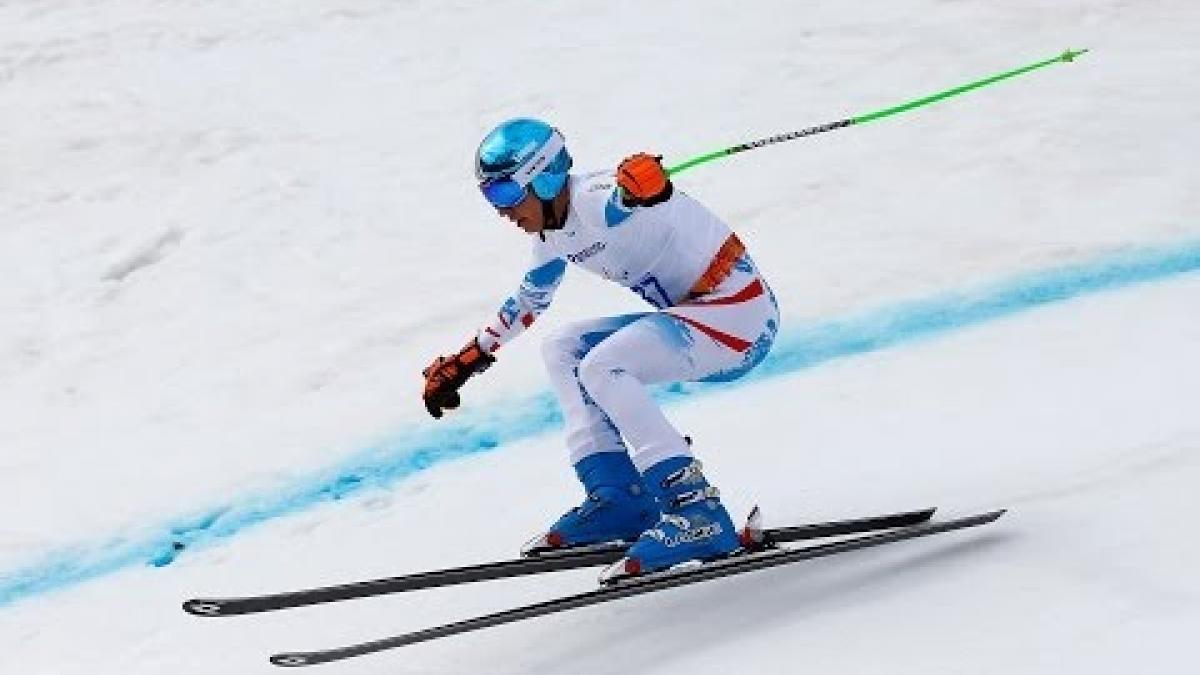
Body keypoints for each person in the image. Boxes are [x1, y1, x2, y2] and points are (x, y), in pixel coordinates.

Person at [421, 118, 780, 582]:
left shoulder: (600, 199)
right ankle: (620, 497)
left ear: (544, 177)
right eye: (491, 198)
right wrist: (469, 358)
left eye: (507, 194)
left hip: (738, 320)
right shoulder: (551, 232)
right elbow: (531, 298)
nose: (502, 210)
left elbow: (634, 201)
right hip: (699, 320)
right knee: (564, 350)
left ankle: (695, 510)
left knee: (604, 365)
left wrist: (650, 188)